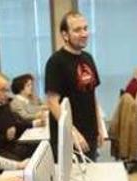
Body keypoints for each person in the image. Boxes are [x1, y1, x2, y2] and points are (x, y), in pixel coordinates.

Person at [45, 10, 105, 159]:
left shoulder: (88, 58)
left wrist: (99, 126)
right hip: (68, 137)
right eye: (77, 30)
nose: (84, 33)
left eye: (85, 28)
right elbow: (52, 103)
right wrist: (72, 132)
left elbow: (92, 95)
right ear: (65, 35)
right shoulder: (56, 62)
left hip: (89, 134)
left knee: (91, 177)